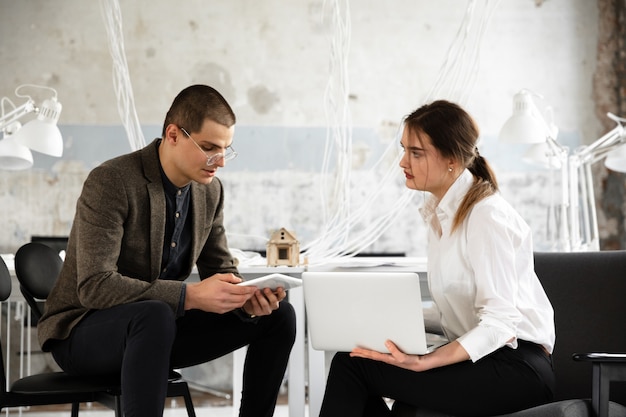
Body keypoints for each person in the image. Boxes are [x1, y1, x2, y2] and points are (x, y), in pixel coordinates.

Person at [37, 84, 297, 417]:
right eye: (208, 148)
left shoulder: (210, 192)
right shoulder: (111, 181)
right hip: (82, 333)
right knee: (155, 313)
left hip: (157, 331)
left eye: (225, 150)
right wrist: (190, 297)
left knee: (279, 316)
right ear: (173, 134)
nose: (219, 161)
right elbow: (94, 287)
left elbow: (219, 269)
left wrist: (245, 301)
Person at [318, 100, 555, 417]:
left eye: (416, 153)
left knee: (353, 367)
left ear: (452, 160)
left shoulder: (486, 216)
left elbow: (500, 325)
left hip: (517, 368)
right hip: (484, 360)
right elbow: (457, 309)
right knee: (382, 381)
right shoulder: (440, 215)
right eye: (403, 149)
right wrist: (379, 322)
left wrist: (423, 361)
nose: (402, 161)